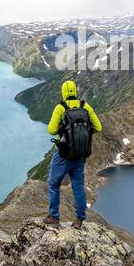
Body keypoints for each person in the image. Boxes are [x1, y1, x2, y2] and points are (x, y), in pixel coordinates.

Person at [45, 79, 102, 228]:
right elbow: (99, 127)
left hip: (64, 153)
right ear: (75, 91)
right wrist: (83, 134)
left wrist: (63, 131)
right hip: (80, 154)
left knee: (53, 184)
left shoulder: (60, 108)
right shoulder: (86, 106)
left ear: (64, 93)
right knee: (78, 185)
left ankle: (54, 217)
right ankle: (79, 219)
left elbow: (51, 130)